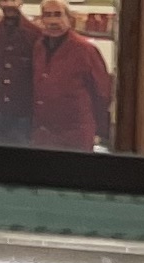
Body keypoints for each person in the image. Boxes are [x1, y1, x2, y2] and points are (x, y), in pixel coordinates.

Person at [25, 0, 113, 150]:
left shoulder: (86, 50)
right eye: (47, 15)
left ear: (69, 18)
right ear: (41, 20)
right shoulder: (38, 47)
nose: (53, 21)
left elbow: (102, 94)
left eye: (58, 14)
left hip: (75, 136)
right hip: (43, 136)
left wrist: (98, 130)